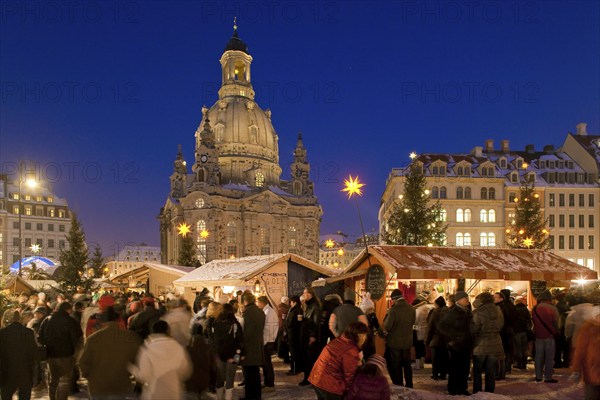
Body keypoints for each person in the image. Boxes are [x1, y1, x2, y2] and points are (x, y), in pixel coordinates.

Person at [78, 305, 142, 399]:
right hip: (121, 385)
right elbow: (138, 363)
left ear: (102, 322)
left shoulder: (94, 338)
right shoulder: (130, 338)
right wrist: (139, 382)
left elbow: (83, 362)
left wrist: (89, 377)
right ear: (117, 321)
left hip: (98, 386)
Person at [129, 320, 192, 400]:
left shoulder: (146, 349)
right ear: (168, 331)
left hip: (153, 394)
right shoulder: (178, 347)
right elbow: (186, 371)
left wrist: (131, 368)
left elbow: (144, 376)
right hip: (174, 394)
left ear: (153, 332)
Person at [309, 322, 369, 400]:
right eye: (365, 335)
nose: (365, 338)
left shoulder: (339, 340)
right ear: (360, 336)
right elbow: (349, 376)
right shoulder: (351, 350)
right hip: (329, 385)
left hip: (316, 378)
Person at [38, 301, 83, 400]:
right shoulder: (71, 321)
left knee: (53, 380)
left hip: (51, 354)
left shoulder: (47, 320)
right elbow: (77, 339)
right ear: (68, 310)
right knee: (64, 381)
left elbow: (40, 337)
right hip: (66, 355)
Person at [438, 290, 473, 396]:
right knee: (455, 367)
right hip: (457, 345)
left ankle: (462, 388)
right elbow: (442, 326)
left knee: (465, 367)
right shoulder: (453, 312)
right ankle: (453, 388)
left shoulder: (467, 311)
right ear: (458, 300)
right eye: (465, 298)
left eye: (467, 298)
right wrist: (455, 337)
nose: (467, 300)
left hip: (466, 343)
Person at [206, 303, 243, 400]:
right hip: (233, 355)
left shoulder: (215, 323)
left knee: (220, 377)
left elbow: (213, 341)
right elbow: (240, 341)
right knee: (230, 378)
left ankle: (219, 398)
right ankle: (228, 398)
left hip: (219, 355)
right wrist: (240, 355)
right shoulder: (235, 323)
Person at [0, 310, 38, 400]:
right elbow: (33, 353)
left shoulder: (2, 333)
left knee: (6, 396)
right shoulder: (29, 333)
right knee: (24, 396)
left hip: (6, 372)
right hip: (25, 371)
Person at [472, 292, 504, 394]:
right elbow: (501, 325)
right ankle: (490, 391)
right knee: (490, 370)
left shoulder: (478, 312)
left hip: (480, 344)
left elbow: (474, 328)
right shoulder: (498, 311)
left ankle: (477, 391)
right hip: (495, 342)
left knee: (477, 370)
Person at [383, 288, 416, 388]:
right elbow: (412, 322)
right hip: (407, 342)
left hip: (394, 343)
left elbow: (387, 326)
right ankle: (409, 384)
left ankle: (399, 385)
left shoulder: (393, 310)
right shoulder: (412, 308)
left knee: (396, 365)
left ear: (394, 299)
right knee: (407, 365)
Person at [570, 306, 600, 400]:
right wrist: (576, 368)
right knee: (592, 395)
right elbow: (580, 351)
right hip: (592, 372)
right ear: (595, 317)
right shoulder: (587, 330)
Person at [240, 291, 265, 400]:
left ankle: (250, 396)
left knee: (249, 374)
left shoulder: (247, 313)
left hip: (249, 347)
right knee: (255, 373)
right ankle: (257, 395)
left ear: (245, 301)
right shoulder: (260, 312)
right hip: (258, 345)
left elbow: (246, 333)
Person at [532, 290, 560, 383]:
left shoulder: (535, 308)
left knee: (538, 356)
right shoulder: (553, 309)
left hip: (538, 335)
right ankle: (548, 377)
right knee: (549, 357)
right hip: (549, 335)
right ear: (550, 299)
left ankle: (538, 376)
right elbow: (556, 323)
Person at [299, 287, 322, 386]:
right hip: (306, 334)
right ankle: (308, 378)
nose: (304, 295)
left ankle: (311, 379)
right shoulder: (307, 305)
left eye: (305, 293)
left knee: (311, 359)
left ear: (310, 294)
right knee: (306, 358)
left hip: (310, 336)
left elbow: (316, 322)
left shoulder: (315, 306)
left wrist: (313, 336)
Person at [257, 296, 278, 392]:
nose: (257, 305)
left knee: (267, 364)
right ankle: (267, 383)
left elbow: (268, 329)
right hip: (268, 341)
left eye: (257, 302)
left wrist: (264, 342)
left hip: (268, 341)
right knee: (266, 364)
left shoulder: (268, 312)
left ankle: (270, 385)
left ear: (261, 303)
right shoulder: (268, 311)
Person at [426, 296, 449, 381]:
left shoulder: (435, 313)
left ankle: (435, 374)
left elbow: (430, 327)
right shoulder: (449, 312)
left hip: (436, 339)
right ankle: (443, 374)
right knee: (444, 358)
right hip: (446, 339)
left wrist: (427, 340)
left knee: (435, 359)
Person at [412, 293, 435, 370]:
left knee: (418, 347)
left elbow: (415, 321)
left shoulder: (418, 311)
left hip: (418, 330)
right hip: (425, 330)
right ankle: (422, 364)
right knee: (422, 347)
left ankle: (418, 365)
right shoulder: (427, 309)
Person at [285, 295, 303, 375]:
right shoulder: (292, 310)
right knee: (292, 352)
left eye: (291, 302)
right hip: (291, 334)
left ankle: (295, 369)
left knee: (294, 353)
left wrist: (290, 327)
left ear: (294, 302)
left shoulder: (298, 310)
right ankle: (293, 368)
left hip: (294, 335)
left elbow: (299, 323)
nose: (290, 304)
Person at [513, 296, 533, 370]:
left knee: (518, 348)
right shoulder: (526, 310)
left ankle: (519, 363)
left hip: (517, 331)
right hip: (525, 331)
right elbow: (529, 321)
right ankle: (524, 363)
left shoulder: (515, 310)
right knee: (524, 348)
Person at [276, 296, 291, 363]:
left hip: (281, 326)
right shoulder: (284, 308)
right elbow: (284, 319)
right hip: (284, 327)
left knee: (282, 342)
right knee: (284, 343)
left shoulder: (280, 307)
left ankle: (283, 356)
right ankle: (285, 357)